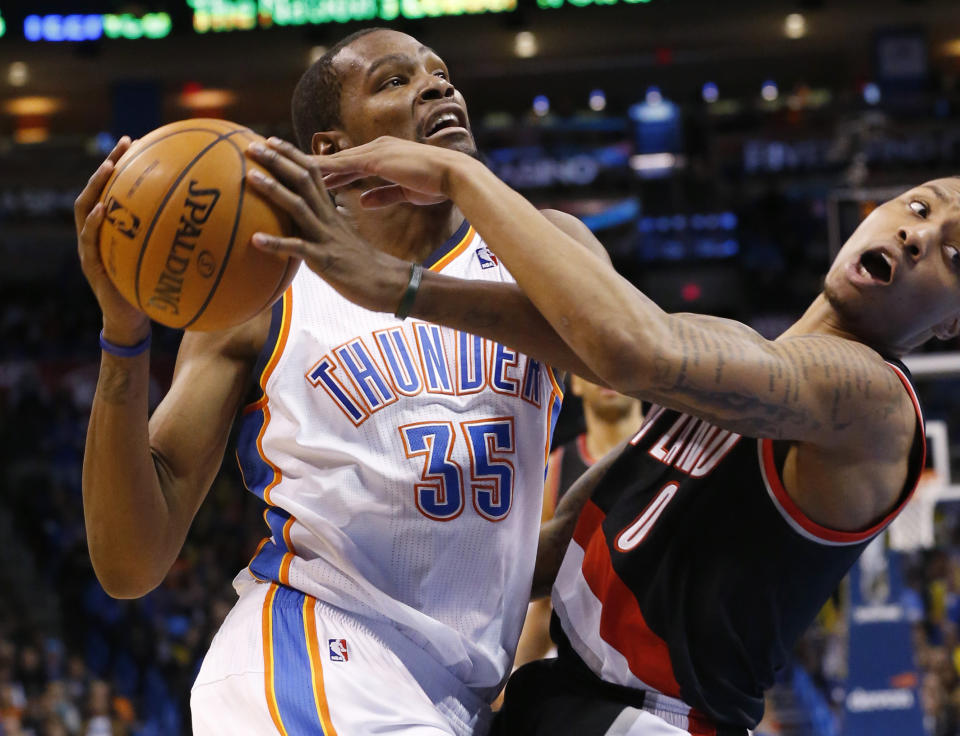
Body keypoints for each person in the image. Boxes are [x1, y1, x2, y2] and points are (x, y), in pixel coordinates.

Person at [243, 133, 960, 734]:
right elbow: (557, 537)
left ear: (953, 324)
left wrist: (458, 184)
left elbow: (630, 350)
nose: (918, 233)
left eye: (954, 255)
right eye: (918, 206)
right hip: (566, 698)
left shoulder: (872, 401)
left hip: (655, 717)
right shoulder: (731, 357)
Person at [75, 28, 612, 736]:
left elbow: (649, 371)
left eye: (441, 73)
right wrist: (124, 336)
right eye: (394, 81)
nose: (436, 86)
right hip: (314, 662)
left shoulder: (548, 248)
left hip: (456, 693)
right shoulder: (265, 284)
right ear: (331, 148)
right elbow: (129, 564)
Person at [513, 378, 643, 670]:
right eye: (594, 367)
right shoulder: (555, 468)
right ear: (575, 384)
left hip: (664, 664)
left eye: (619, 358)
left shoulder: (676, 451)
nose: (607, 375)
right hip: (587, 670)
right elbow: (545, 600)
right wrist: (507, 686)